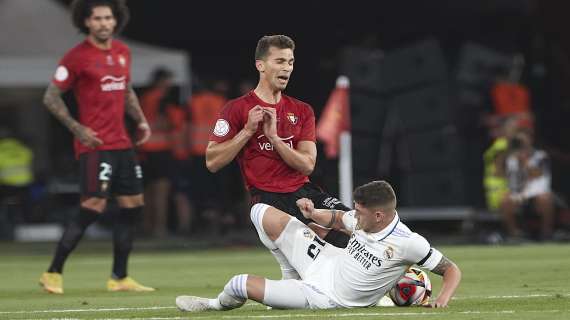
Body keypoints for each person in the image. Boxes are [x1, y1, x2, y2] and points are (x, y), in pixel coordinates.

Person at [175, 180, 462, 311]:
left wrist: (443, 298)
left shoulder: (408, 243)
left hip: (326, 295)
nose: (355, 214)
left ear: (379, 215)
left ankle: (212, 306)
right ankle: (290, 274)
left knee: (238, 284)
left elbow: (452, 270)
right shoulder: (363, 220)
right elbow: (338, 219)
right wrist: (313, 214)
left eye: (360, 211)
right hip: (325, 260)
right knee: (260, 212)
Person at [39, 0, 154, 294]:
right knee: (93, 206)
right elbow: (51, 97)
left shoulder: (122, 52)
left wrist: (141, 121)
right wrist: (78, 129)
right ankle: (53, 273)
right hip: (95, 145)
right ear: (86, 22)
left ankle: (119, 277)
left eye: (108, 18)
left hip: (122, 144)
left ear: (116, 21)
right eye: (98, 18)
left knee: (133, 206)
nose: (104, 23)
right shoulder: (76, 58)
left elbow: (126, 89)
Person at [205, 35, 351, 258]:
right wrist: (247, 131)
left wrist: (274, 138)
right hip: (267, 199)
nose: (287, 68)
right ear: (261, 65)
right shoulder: (236, 109)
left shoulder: (302, 110)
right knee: (319, 247)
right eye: (280, 61)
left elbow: (307, 165)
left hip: (304, 192)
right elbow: (212, 162)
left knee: (358, 226)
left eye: (290, 62)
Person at [138, 67, 177, 237]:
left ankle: (146, 226)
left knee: (147, 192)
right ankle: (160, 228)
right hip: (160, 150)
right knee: (161, 193)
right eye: (168, 80)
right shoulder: (162, 99)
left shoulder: (144, 98)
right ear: (161, 81)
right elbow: (164, 123)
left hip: (144, 149)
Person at [502, 130, 555, 241]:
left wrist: (525, 162)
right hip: (519, 190)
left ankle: (546, 232)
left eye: (524, 141)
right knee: (505, 199)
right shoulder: (512, 158)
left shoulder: (541, 156)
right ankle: (513, 233)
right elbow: (511, 178)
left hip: (538, 190)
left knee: (545, 198)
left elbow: (539, 175)